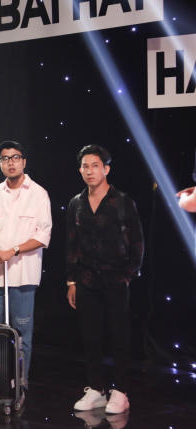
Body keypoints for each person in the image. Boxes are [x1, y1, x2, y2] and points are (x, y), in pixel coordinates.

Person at [66, 144, 144, 414]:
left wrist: (128, 274)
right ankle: (96, 389)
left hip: (116, 278)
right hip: (86, 279)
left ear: (106, 169)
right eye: (85, 166)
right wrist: (71, 281)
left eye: (95, 166)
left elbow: (137, 241)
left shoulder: (122, 201)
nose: (90, 171)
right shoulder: (76, 203)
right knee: (91, 337)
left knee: (119, 336)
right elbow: (71, 244)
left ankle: (121, 391)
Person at [0, 140, 52, 397]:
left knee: (21, 333)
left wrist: (14, 250)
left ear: (24, 161)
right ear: (0, 164)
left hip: (23, 275)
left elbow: (43, 234)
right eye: (5, 158)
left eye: (15, 157)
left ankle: (20, 380)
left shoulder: (39, 194)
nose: (10, 162)